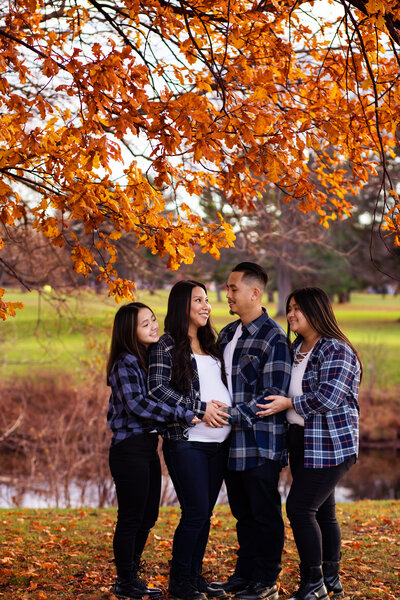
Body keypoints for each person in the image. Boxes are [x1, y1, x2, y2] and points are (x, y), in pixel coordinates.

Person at [256, 287, 361, 600]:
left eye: (298, 308)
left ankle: (313, 585)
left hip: (331, 443)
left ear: (317, 311)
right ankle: (331, 582)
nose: (291, 315)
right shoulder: (295, 347)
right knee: (322, 513)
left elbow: (329, 397)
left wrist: (288, 403)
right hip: (300, 441)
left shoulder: (336, 349)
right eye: (289, 308)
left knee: (300, 509)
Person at [107, 302, 202, 600]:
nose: (153, 326)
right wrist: (185, 413)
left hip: (147, 446)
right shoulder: (125, 362)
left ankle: (131, 574)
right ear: (128, 331)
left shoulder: (145, 359)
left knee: (148, 515)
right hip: (129, 448)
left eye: (153, 319)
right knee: (132, 516)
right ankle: (125, 580)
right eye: (144, 323)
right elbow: (138, 406)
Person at [210, 263, 292, 600]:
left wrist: (224, 416)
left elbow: (270, 397)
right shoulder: (228, 334)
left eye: (233, 289)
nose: (227, 294)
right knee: (242, 513)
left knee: (264, 513)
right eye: (227, 289)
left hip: (261, 444)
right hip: (230, 444)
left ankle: (266, 580)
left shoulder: (274, 338)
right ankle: (243, 575)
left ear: (254, 293)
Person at [147, 280, 231, 600]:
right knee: (195, 512)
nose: (206, 306)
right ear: (183, 305)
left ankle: (194, 577)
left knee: (204, 514)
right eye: (198, 300)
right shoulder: (166, 345)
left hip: (219, 444)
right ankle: (180, 581)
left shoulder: (212, 346)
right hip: (186, 441)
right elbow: (157, 389)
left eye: (208, 300)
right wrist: (199, 409)